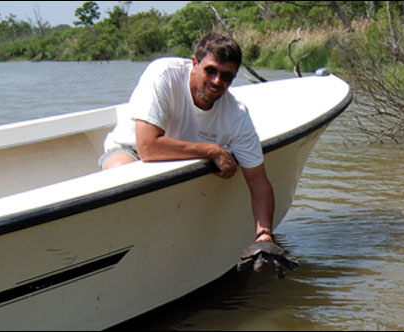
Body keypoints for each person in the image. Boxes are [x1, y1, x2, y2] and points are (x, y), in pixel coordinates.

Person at [99, 33, 275, 243]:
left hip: (181, 162)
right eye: (210, 71)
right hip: (131, 151)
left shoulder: (236, 114)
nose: (217, 81)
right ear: (194, 63)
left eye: (227, 76)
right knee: (124, 175)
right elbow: (148, 148)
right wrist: (212, 151)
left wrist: (264, 235)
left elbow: (258, 181)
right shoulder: (163, 74)